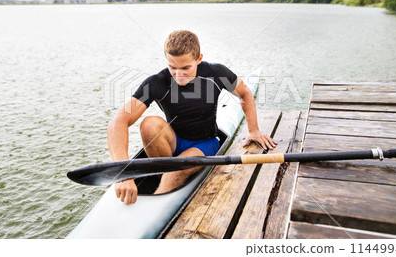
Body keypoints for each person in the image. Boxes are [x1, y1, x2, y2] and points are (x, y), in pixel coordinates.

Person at [107, 30, 276, 205]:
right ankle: (166, 173)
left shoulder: (216, 73)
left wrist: (254, 130)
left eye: (186, 68)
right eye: (173, 67)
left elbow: (245, 93)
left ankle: (168, 182)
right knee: (148, 124)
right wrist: (122, 172)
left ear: (199, 58)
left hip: (205, 143)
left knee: (175, 174)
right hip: (174, 142)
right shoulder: (157, 82)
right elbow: (118, 122)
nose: (179, 75)